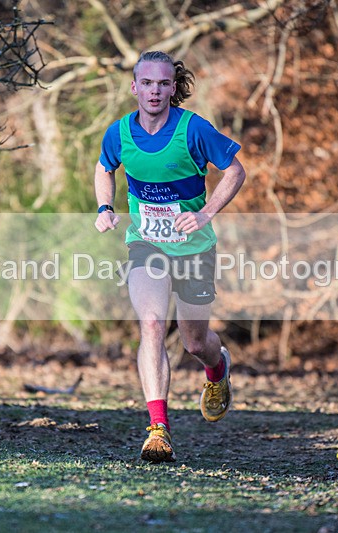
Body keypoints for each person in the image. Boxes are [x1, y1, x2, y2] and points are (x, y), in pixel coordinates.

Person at [93, 50, 246, 463]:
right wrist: (105, 207)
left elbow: (235, 171)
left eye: (163, 83)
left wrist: (205, 213)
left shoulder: (193, 129)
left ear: (173, 87)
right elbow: (104, 167)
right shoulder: (119, 133)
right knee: (152, 323)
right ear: (134, 87)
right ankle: (158, 429)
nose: (154, 91)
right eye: (147, 83)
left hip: (194, 249)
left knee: (195, 343)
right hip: (147, 244)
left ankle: (217, 369)